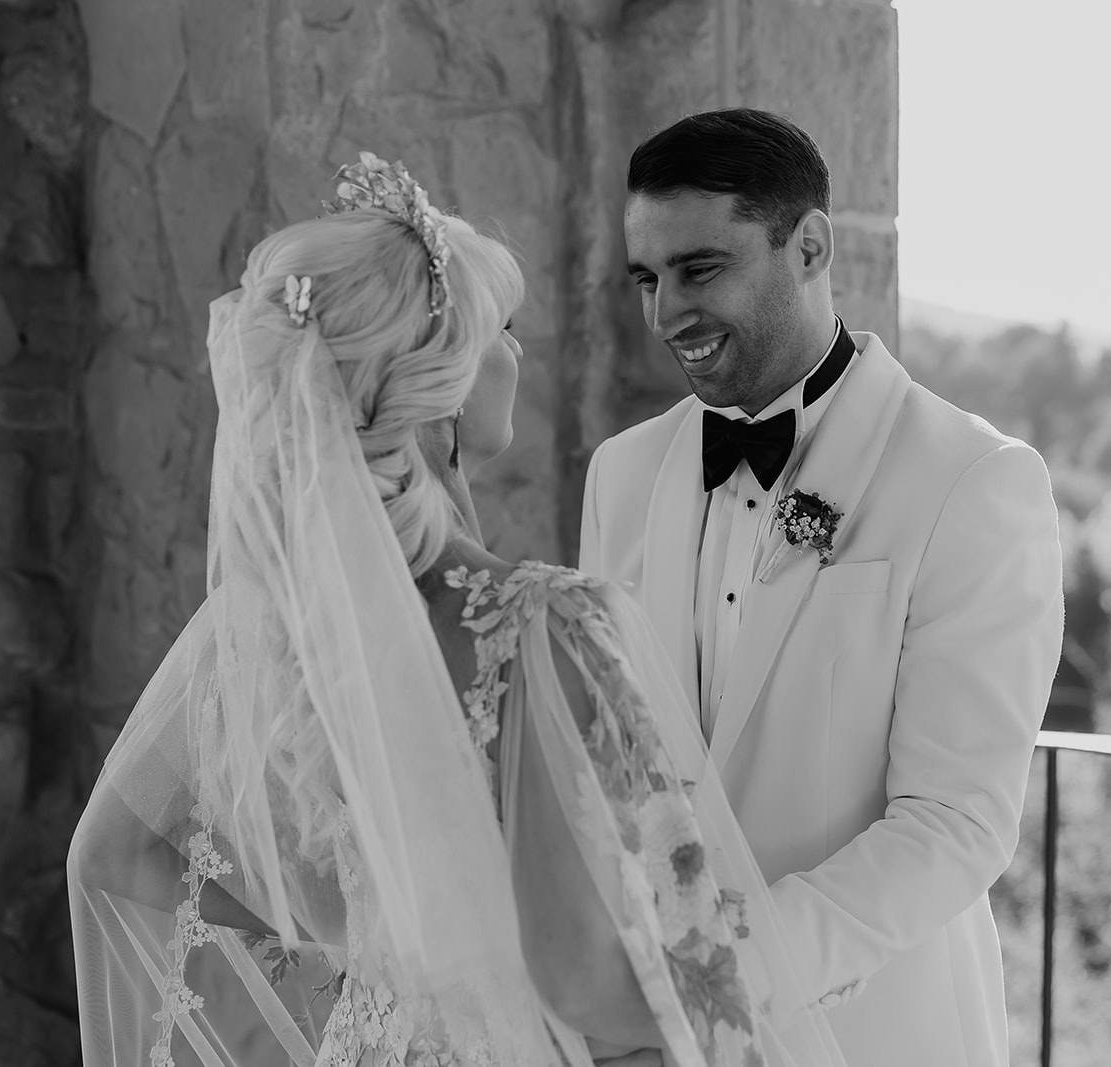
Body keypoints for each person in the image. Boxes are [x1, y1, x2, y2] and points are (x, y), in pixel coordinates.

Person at [67, 153, 847, 1067]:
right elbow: (584, 984)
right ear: (440, 379)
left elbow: (113, 856)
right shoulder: (547, 624)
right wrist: (755, 983)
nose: (518, 352)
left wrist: (372, 971)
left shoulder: (260, 631)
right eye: (501, 330)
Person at [579, 109, 1065, 1067]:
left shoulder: (973, 480)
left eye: (701, 268)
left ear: (809, 246)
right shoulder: (622, 473)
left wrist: (722, 971)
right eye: (648, 277)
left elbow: (955, 822)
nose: (666, 311)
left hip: (870, 1034)